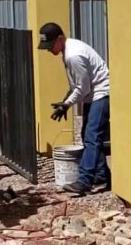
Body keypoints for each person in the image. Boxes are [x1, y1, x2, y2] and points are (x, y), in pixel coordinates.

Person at [38, 22, 111, 195]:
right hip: (93, 94)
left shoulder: (73, 55)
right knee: (88, 135)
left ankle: (85, 181)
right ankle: (101, 175)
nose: (49, 50)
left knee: (92, 137)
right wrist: (65, 103)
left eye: (50, 45)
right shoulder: (68, 50)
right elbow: (77, 85)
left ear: (60, 39)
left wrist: (67, 104)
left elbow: (82, 88)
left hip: (101, 93)